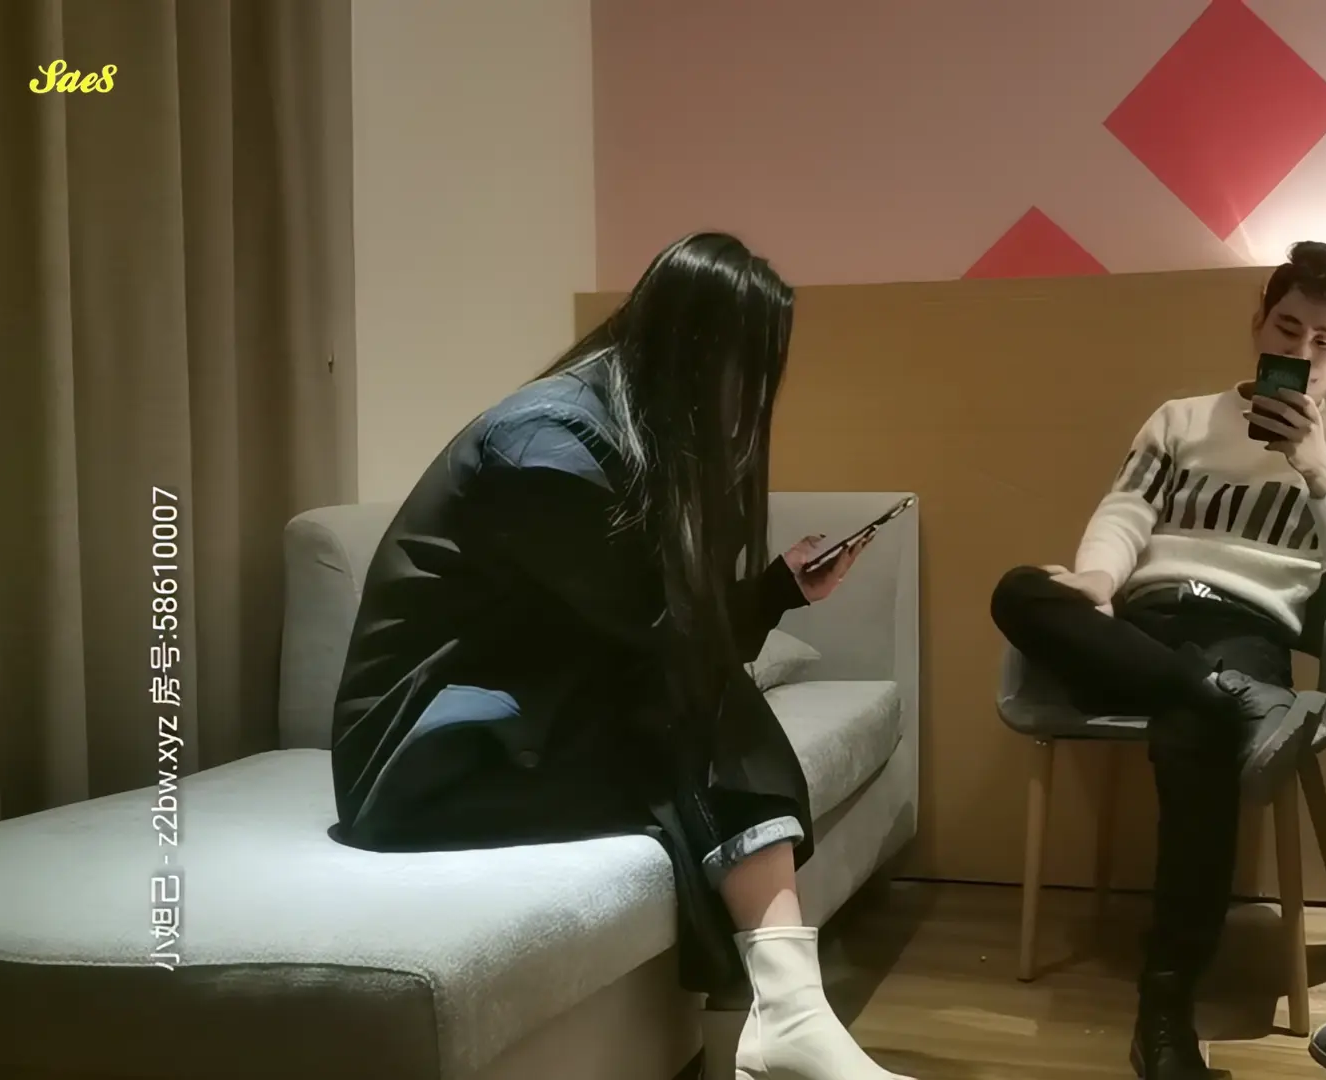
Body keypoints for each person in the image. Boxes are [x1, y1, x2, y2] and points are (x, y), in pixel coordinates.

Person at [327, 232, 910, 1080]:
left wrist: (774, 591)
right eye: (746, 369)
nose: (749, 398)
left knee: (692, 712)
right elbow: (658, 635)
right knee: (696, 706)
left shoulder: (612, 426)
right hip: (426, 765)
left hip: (514, 728)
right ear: (699, 350)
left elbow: (642, 630)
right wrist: (750, 603)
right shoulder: (546, 446)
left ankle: (780, 1019)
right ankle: (785, 1018)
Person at [989, 242, 1326, 1080]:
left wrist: (1317, 465)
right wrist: (1096, 583)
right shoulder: (1179, 419)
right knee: (1019, 591)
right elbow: (1125, 511)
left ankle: (1164, 1009)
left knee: (1192, 732)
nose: (1299, 350)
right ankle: (1230, 699)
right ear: (1258, 321)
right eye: (1286, 327)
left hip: (1244, 630)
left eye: (1324, 340)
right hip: (1141, 623)